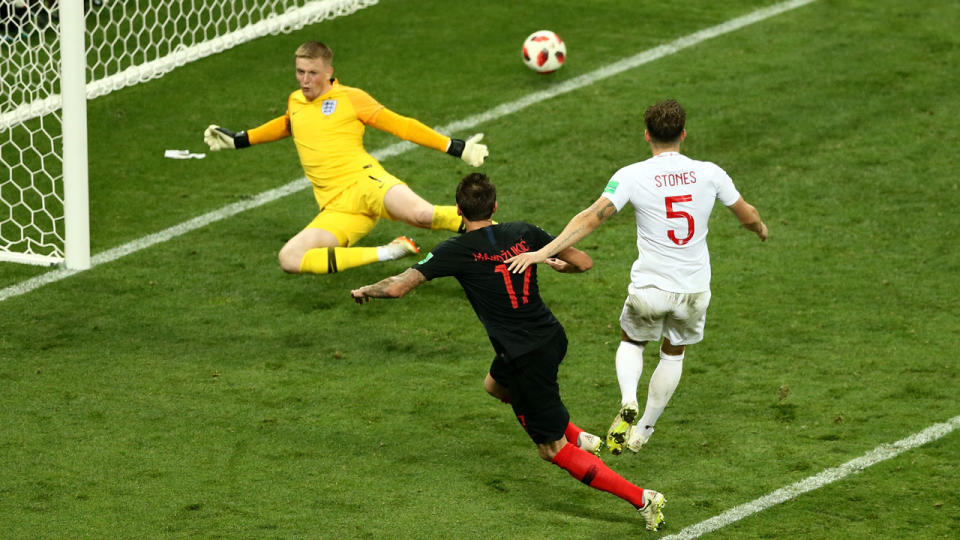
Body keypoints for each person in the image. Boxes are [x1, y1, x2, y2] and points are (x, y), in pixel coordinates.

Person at [350, 172, 667, 531]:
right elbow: (583, 262)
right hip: (549, 336)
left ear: (459, 210)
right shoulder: (523, 231)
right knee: (495, 386)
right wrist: (559, 265)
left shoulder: (453, 251)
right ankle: (579, 435)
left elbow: (396, 288)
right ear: (495, 207)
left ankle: (643, 499)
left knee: (552, 449)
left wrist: (366, 289)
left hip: (526, 356)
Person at [506, 99, 768, 455]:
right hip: (694, 290)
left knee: (632, 341)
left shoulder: (631, 175)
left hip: (650, 287)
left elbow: (592, 216)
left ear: (647, 135)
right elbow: (747, 214)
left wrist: (543, 251)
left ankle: (628, 399)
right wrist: (760, 229)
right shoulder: (710, 172)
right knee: (673, 354)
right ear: (684, 135)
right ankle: (644, 429)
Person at [203, 40, 488, 275]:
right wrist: (240, 140)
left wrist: (455, 147)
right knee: (289, 258)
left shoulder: (351, 98)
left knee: (423, 215)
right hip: (336, 207)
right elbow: (288, 124)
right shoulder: (295, 100)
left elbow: (401, 125)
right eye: (300, 72)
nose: (305, 80)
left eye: (312, 73)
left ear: (329, 72)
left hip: (366, 182)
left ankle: (503, 237)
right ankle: (388, 252)